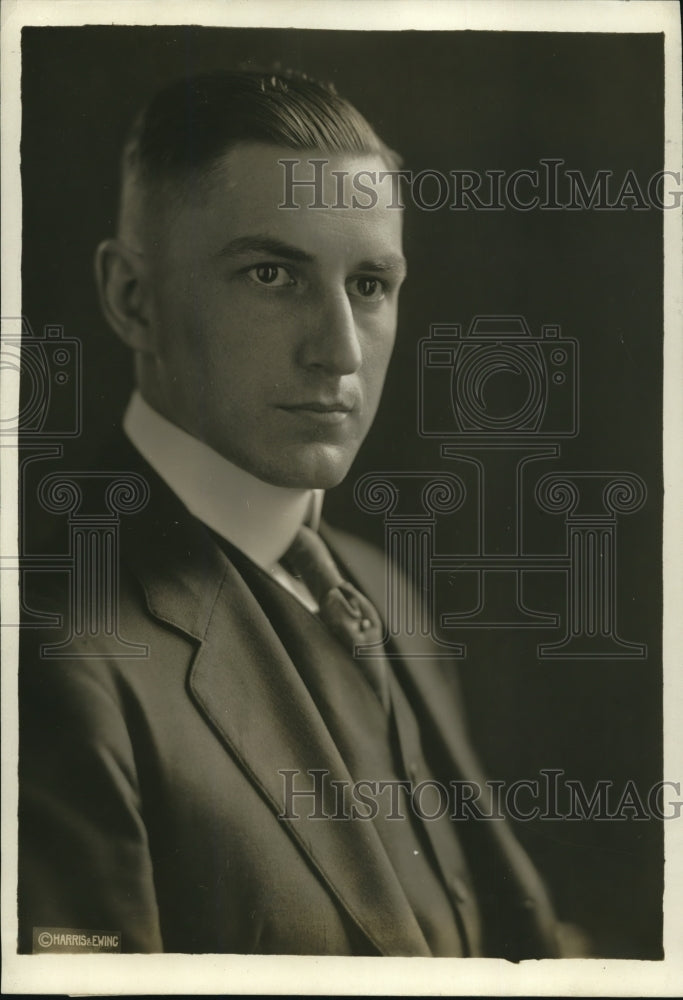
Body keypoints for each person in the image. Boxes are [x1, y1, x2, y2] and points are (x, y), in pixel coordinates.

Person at [18, 70, 573, 957]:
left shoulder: (385, 594)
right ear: (133, 299)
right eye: (271, 274)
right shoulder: (55, 655)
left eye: (369, 285)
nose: (339, 351)